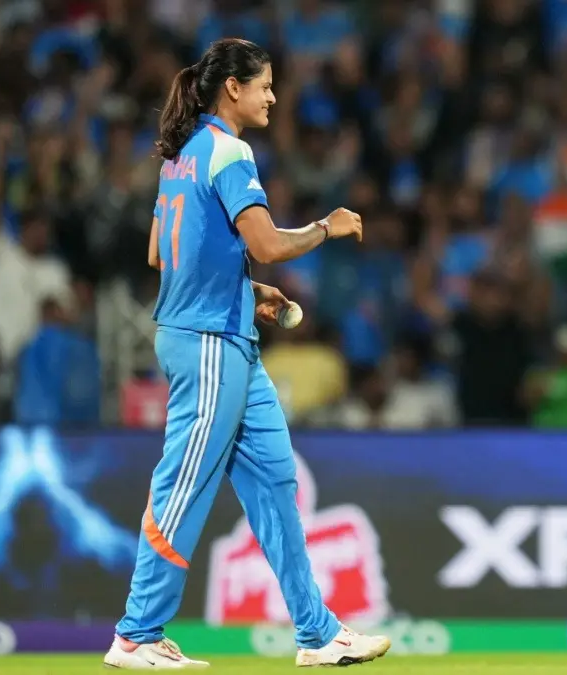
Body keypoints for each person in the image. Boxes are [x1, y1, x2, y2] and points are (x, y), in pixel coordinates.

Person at [103, 38, 390, 670]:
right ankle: (137, 635)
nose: (273, 97)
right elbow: (266, 244)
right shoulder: (230, 151)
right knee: (182, 486)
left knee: (277, 482)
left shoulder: (181, 155)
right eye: (264, 86)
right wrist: (327, 226)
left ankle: (317, 634)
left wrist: (245, 291)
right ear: (232, 88)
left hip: (225, 338)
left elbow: (160, 252)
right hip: (208, 344)